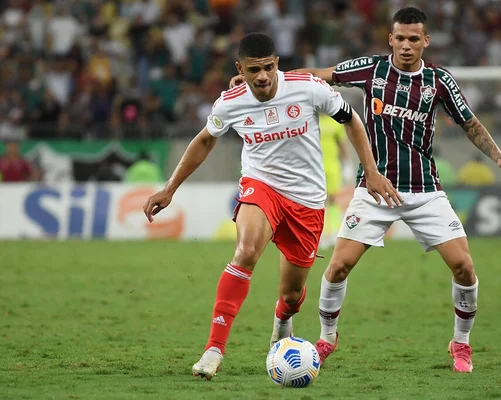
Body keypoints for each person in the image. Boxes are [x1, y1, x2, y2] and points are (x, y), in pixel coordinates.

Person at [228, 7, 501, 374]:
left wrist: (500, 158)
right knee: (338, 266)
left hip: (424, 190)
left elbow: (469, 123)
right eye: (400, 38)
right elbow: (318, 75)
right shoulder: (371, 69)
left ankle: (461, 344)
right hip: (373, 187)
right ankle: (327, 339)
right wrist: (259, 82)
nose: (406, 46)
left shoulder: (439, 80)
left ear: (426, 41)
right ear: (391, 39)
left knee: (464, 268)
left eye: (413, 39)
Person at [142, 33, 400, 380]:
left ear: (276, 64)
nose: (262, 76)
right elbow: (205, 140)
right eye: (253, 70)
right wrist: (170, 188)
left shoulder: (307, 88)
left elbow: (351, 119)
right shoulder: (230, 101)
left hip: (307, 199)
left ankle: (282, 321)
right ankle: (214, 349)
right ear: (240, 70)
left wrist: (371, 171)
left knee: (292, 294)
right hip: (260, 185)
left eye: (267, 67)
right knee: (246, 251)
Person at [319, 113, 354, 249]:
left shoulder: (335, 123)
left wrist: (347, 164)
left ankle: (333, 232)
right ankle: (322, 233)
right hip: (316, 167)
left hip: (333, 166)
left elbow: (342, 145)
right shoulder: (311, 120)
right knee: (319, 201)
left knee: (332, 200)